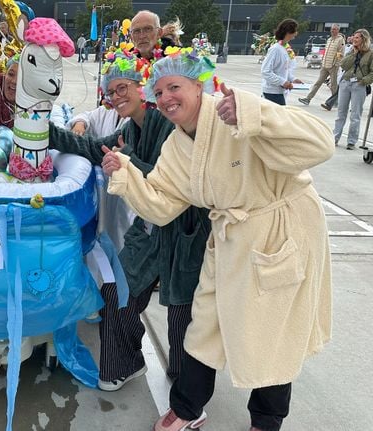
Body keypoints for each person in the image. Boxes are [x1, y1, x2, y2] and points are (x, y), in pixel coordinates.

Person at [102, 47, 333, 431]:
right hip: (228, 237)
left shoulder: (237, 111)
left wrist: (258, 117)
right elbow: (161, 205)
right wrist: (126, 174)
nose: (165, 98)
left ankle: (267, 420)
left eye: (174, 86)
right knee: (203, 325)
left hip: (279, 230)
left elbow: (320, 144)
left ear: (199, 85)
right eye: (158, 92)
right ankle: (188, 408)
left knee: (271, 332)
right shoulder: (176, 146)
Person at [49, 46, 210, 389]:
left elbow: (176, 183)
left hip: (186, 233)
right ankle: (127, 362)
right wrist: (44, 130)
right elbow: (96, 148)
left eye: (124, 87)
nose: (117, 95)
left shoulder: (169, 126)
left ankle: (187, 385)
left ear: (143, 88)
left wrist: (128, 163)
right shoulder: (131, 130)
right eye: (111, 91)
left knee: (184, 312)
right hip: (150, 228)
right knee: (117, 292)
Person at [333, 29, 373, 150]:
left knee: (355, 115)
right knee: (340, 113)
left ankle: (351, 141)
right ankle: (335, 137)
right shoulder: (351, 51)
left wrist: (363, 81)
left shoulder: (372, 53)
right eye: (354, 37)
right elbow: (343, 65)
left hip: (359, 85)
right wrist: (354, 53)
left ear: (364, 39)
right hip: (346, 83)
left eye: (357, 37)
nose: (354, 39)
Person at [298, 24, 345, 106]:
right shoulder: (329, 39)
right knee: (318, 83)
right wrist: (323, 60)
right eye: (331, 29)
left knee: (333, 85)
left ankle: (335, 101)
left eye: (334, 29)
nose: (332, 31)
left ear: (338, 30)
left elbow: (340, 53)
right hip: (325, 65)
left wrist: (336, 63)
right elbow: (326, 51)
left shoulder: (340, 40)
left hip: (333, 66)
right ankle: (308, 99)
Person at [260, 18, 302, 105]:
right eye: (295, 30)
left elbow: (283, 70)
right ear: (289, 32)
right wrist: (283, 82)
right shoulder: (275, 49)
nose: (296, 33)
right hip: (272, 92)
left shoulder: (285, 48)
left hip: (280, 92)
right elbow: (265, 71)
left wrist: (293, 79)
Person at [320, 35, 354, 111]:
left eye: (355, 37)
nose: (351, 38)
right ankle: (330, 104)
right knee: (340, 88)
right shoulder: (349, 48)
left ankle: (353, 106)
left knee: (353, 91)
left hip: (356, 74)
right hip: (346, 71)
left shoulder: (363, 51)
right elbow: (345, 58)